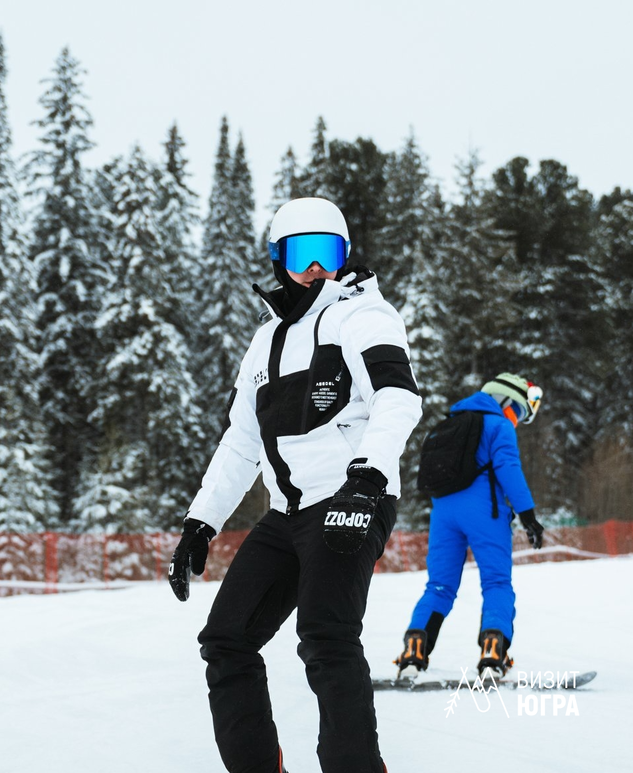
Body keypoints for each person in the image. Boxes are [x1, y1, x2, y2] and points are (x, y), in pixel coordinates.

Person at [169, 197, 422, 773]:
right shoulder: (264, 343)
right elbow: (240, 442)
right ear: (280, 259)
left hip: (352, 496)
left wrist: (367, 477)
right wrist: (199, 524)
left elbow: (397, 398)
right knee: (226, 640)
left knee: (326, 638)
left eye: (329, 253)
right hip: (288, 512)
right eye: (303, 254)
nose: (316, 269)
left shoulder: (363, 315)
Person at [396, 374, 544, 677]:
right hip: (485, 512)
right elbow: (508, 468)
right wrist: (528, 515)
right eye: (517, 411)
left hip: (443, 514)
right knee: (496, 583)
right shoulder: (498, 425)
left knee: (439, 585)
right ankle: (494, 653)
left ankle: (414, 651)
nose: (515, 420)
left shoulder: (449, 423)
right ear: (505, 400)